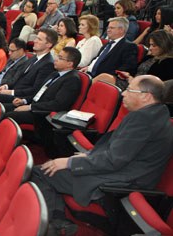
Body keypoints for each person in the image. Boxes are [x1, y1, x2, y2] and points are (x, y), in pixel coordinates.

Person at [31, 75, 172, 235]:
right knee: (49, 168)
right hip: (126, 171)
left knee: (39, 172)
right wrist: (87, 156)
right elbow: (121, 151)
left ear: (146, 96)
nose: (123, 94)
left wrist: (70, 162)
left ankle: (56, 223)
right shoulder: (156, 113)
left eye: (129, 89)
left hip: (122, 181)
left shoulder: (142, 119)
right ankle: (59, 221)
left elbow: (113, 160)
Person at [4, 46, 82, 129]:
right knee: (2, 108)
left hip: (43, 114)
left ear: (70, 64)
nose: (55, 59)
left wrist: (30, 107)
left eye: (60, 58)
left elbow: (57, 105)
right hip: (34, 106)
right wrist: (24, 100)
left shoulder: (72, 80)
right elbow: (39, 92)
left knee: (8, 115)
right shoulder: (55, 73)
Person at [0, 29, 57, 106]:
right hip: (13, 91)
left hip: (20, 98)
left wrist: (11, 92)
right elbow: (19, 77)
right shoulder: (33, 57)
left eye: (39, 39)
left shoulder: (48, 64)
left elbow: (35, 89)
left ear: (49, 44)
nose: (35, 41)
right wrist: (6, 86)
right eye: (36, 38)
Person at [94, 29, 173, 90]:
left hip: (141, 88)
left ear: (163, 46)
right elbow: (135, 70)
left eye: (153, 45)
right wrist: (128, 75)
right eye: (150, 45)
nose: (150, 48)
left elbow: (154, 85)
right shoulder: (150, 57)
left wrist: (132, 80)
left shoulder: (168, 63)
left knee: (105, 78)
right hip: (132, 82)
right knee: (104, 79)